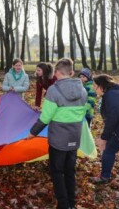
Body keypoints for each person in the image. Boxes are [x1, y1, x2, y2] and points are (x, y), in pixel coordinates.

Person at [27, 58, 87, 209]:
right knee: (70, 171)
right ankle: (71, 203)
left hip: (58, 140)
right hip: (74, 137)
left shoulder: (54, 90)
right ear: (72, 72)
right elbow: (81, 114)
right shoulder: (83, 90)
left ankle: (64, 204)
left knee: (56, 171)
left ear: (57, 73)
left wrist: (33, 132)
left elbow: (45, 117)